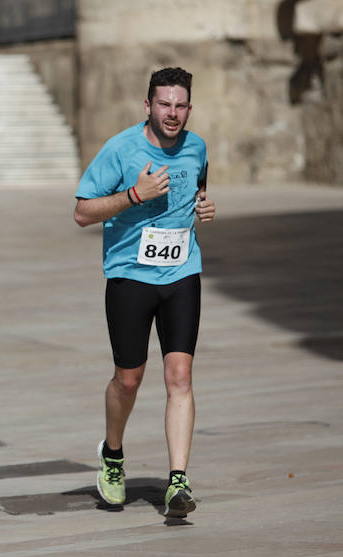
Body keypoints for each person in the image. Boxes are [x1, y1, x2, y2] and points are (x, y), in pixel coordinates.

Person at [73, 67, 216, 519]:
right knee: (129, 379)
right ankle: (112, 453)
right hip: (130, 277)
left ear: (188, 108)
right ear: (148, 105)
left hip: (181, 275)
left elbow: (198, 189)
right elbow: (81, 212)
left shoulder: (197, 147)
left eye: (180, 105)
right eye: (164, 104)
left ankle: (178, 480)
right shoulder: (120, 149)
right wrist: (135, 194)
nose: (172, 113)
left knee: (180, 377)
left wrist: (203, 207)